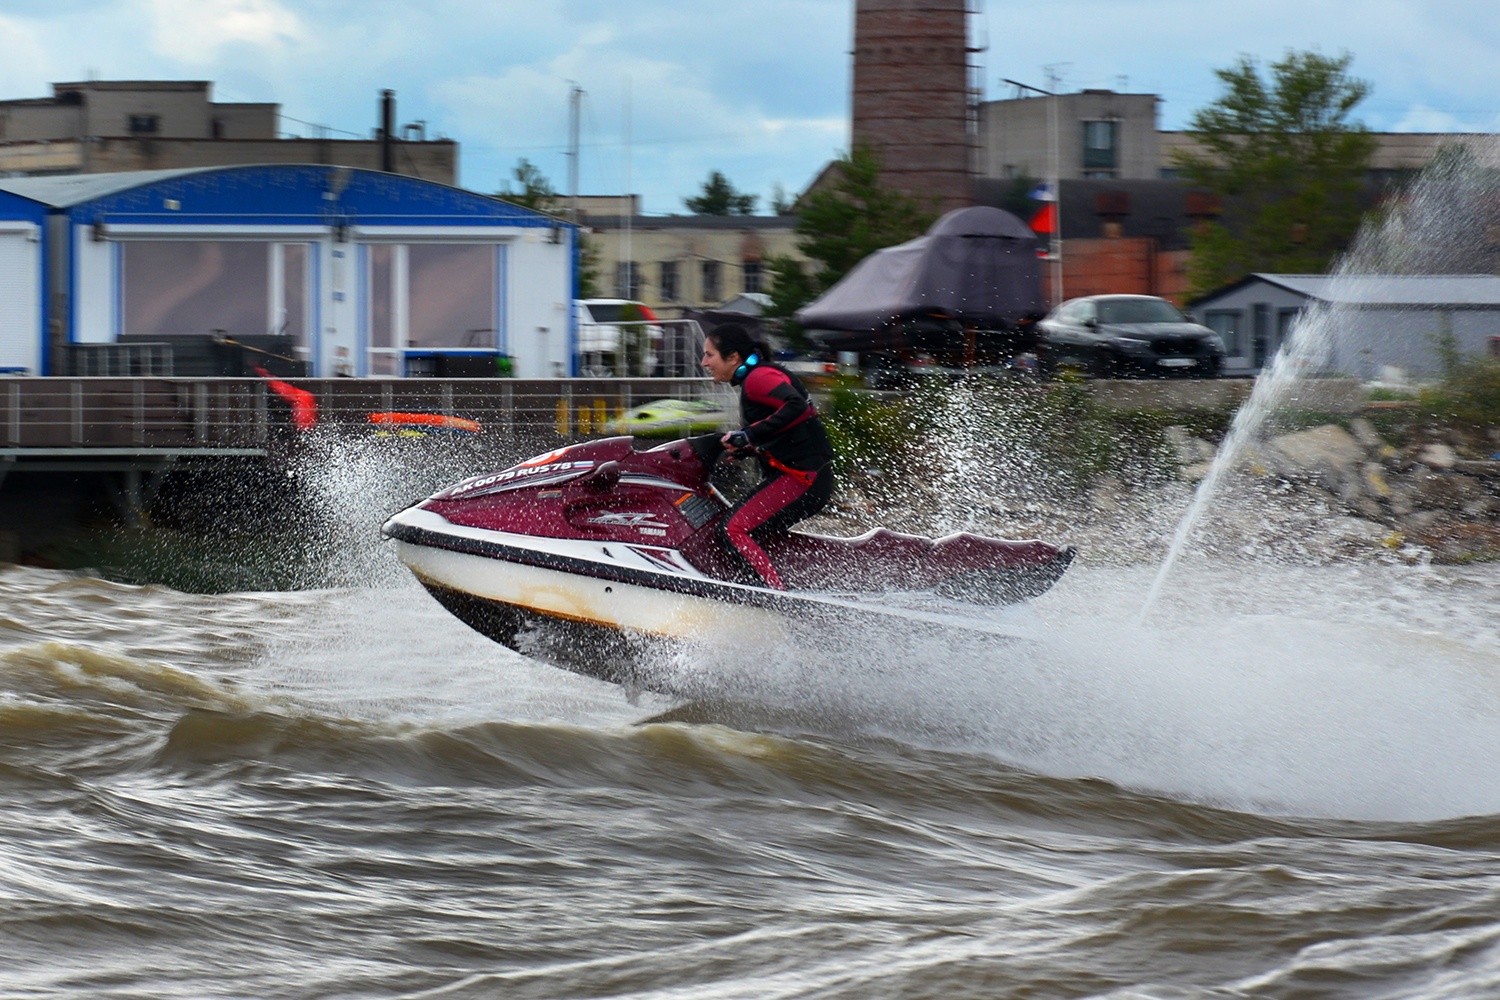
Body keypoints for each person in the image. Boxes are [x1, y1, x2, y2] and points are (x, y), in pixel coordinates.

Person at [694, 324, 835, 590]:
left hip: (803, 479)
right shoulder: (754, 379)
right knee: (751, 530)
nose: (704, 362)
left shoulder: (758, 377)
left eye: (709, 355)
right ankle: (791, 583)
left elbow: (797, 406)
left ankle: (775, 596)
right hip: (806, 478)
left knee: (732, 529)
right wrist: (748, 447)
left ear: (733, 357)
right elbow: (785, 429)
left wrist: (748, 435)